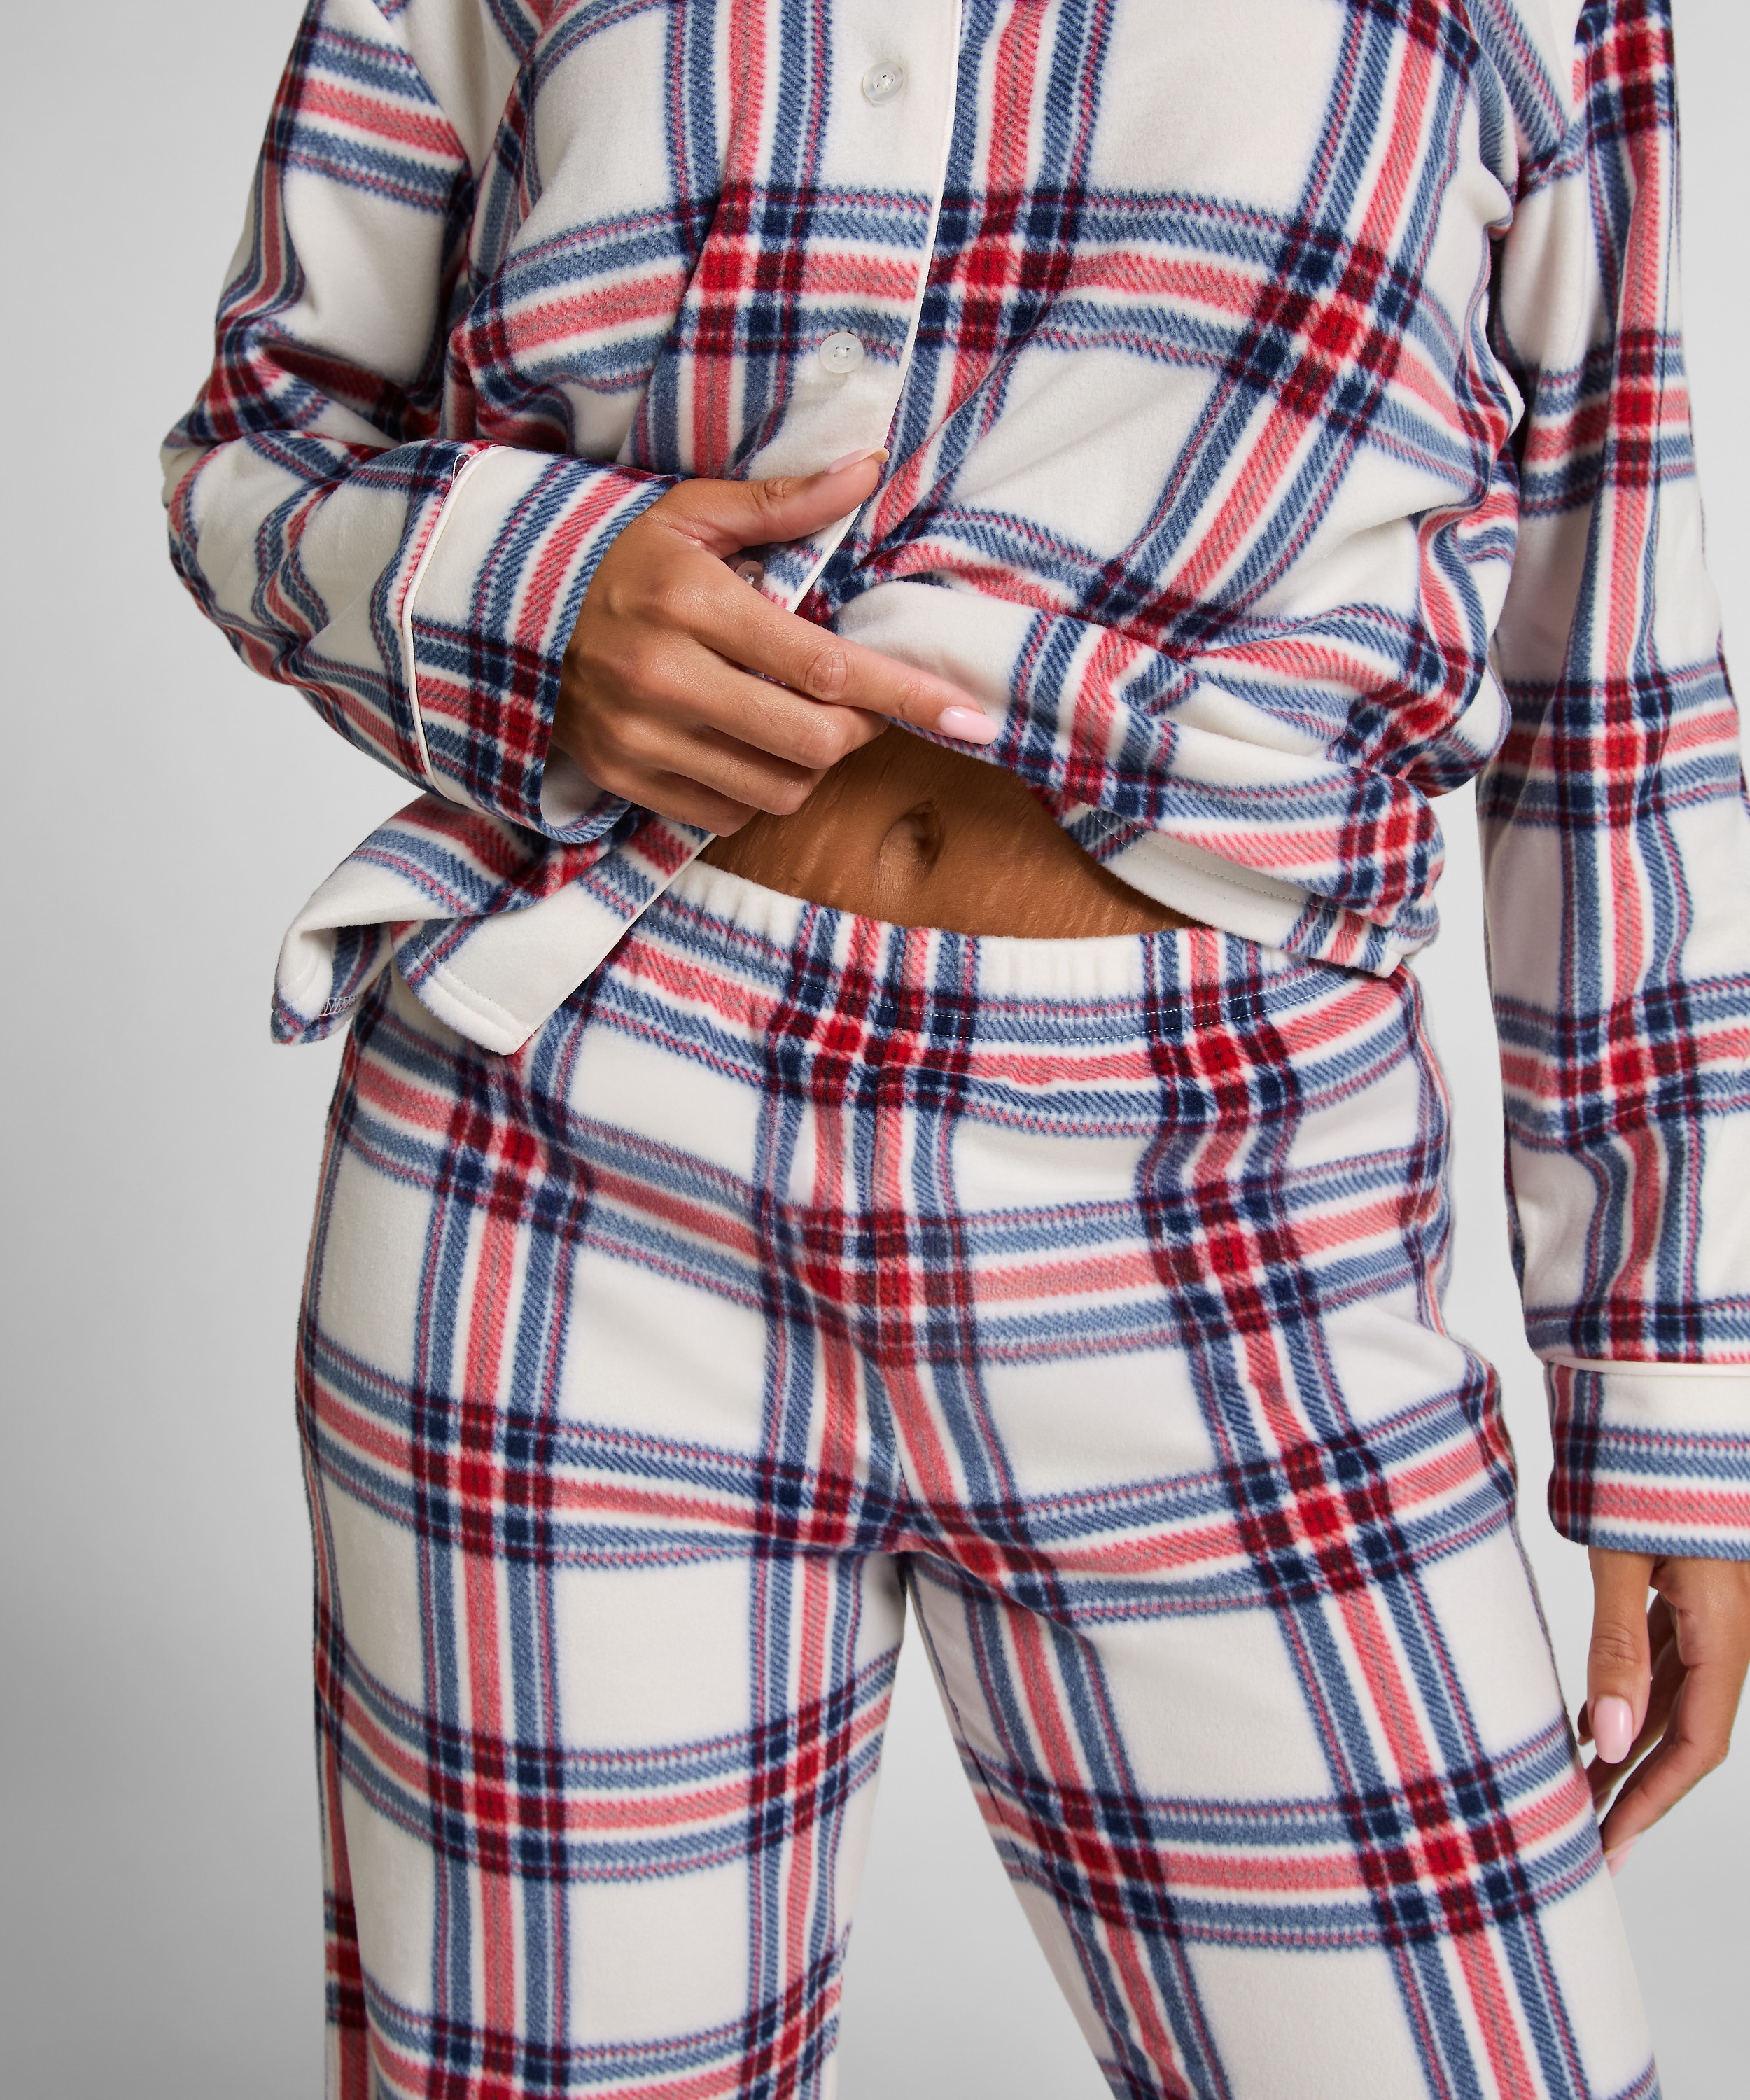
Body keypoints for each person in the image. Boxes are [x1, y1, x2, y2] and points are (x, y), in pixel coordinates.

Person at [163, 1, 1750, 2093]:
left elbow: (1610, 670)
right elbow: (266, 442)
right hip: (570, 1141)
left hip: (1219, 1186)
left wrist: (1670, 1380)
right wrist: (530, 593)